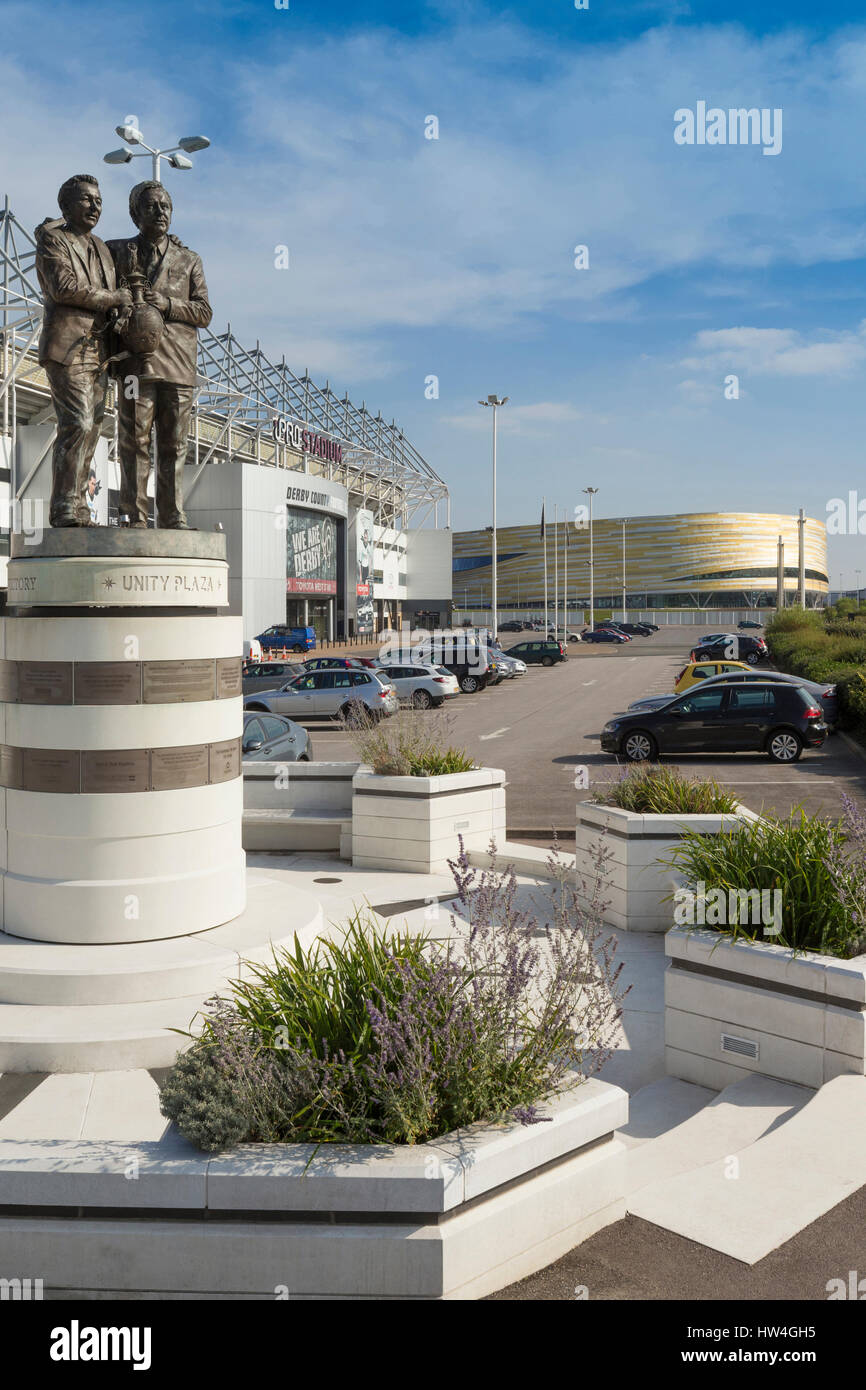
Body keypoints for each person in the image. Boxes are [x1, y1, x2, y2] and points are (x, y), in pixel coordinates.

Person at [106, 182, 212, 528]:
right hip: (135, 366)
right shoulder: (115, 251)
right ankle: (132, 514)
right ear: (135, 213)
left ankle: (172, 515)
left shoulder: (189, 259)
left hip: (179, 365)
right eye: (151, 206)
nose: (160, 212)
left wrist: (168, 304)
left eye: (166, 206)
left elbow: (204, 313)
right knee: (133, 439)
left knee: (174, 445)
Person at [35, 175, 131, 527]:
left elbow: (134, 257)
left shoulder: (103, 248)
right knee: (77, 422)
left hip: (99, 350)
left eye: (99, 201)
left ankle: (77, 507)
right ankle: (63, 508)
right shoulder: (52, 239)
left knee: (93, 429)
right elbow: (64, 288)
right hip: (68, 347)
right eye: (87, 200)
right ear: (66, 206)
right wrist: (113, 299)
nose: (95, 206)